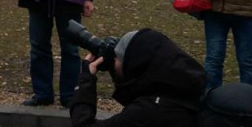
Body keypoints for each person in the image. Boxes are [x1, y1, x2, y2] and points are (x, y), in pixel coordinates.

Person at [69, 28, 206, 126]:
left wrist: (86, 81)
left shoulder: (148, 112)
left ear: (136, 64)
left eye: (118, 58)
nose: (114, 61)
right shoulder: (181, 89)